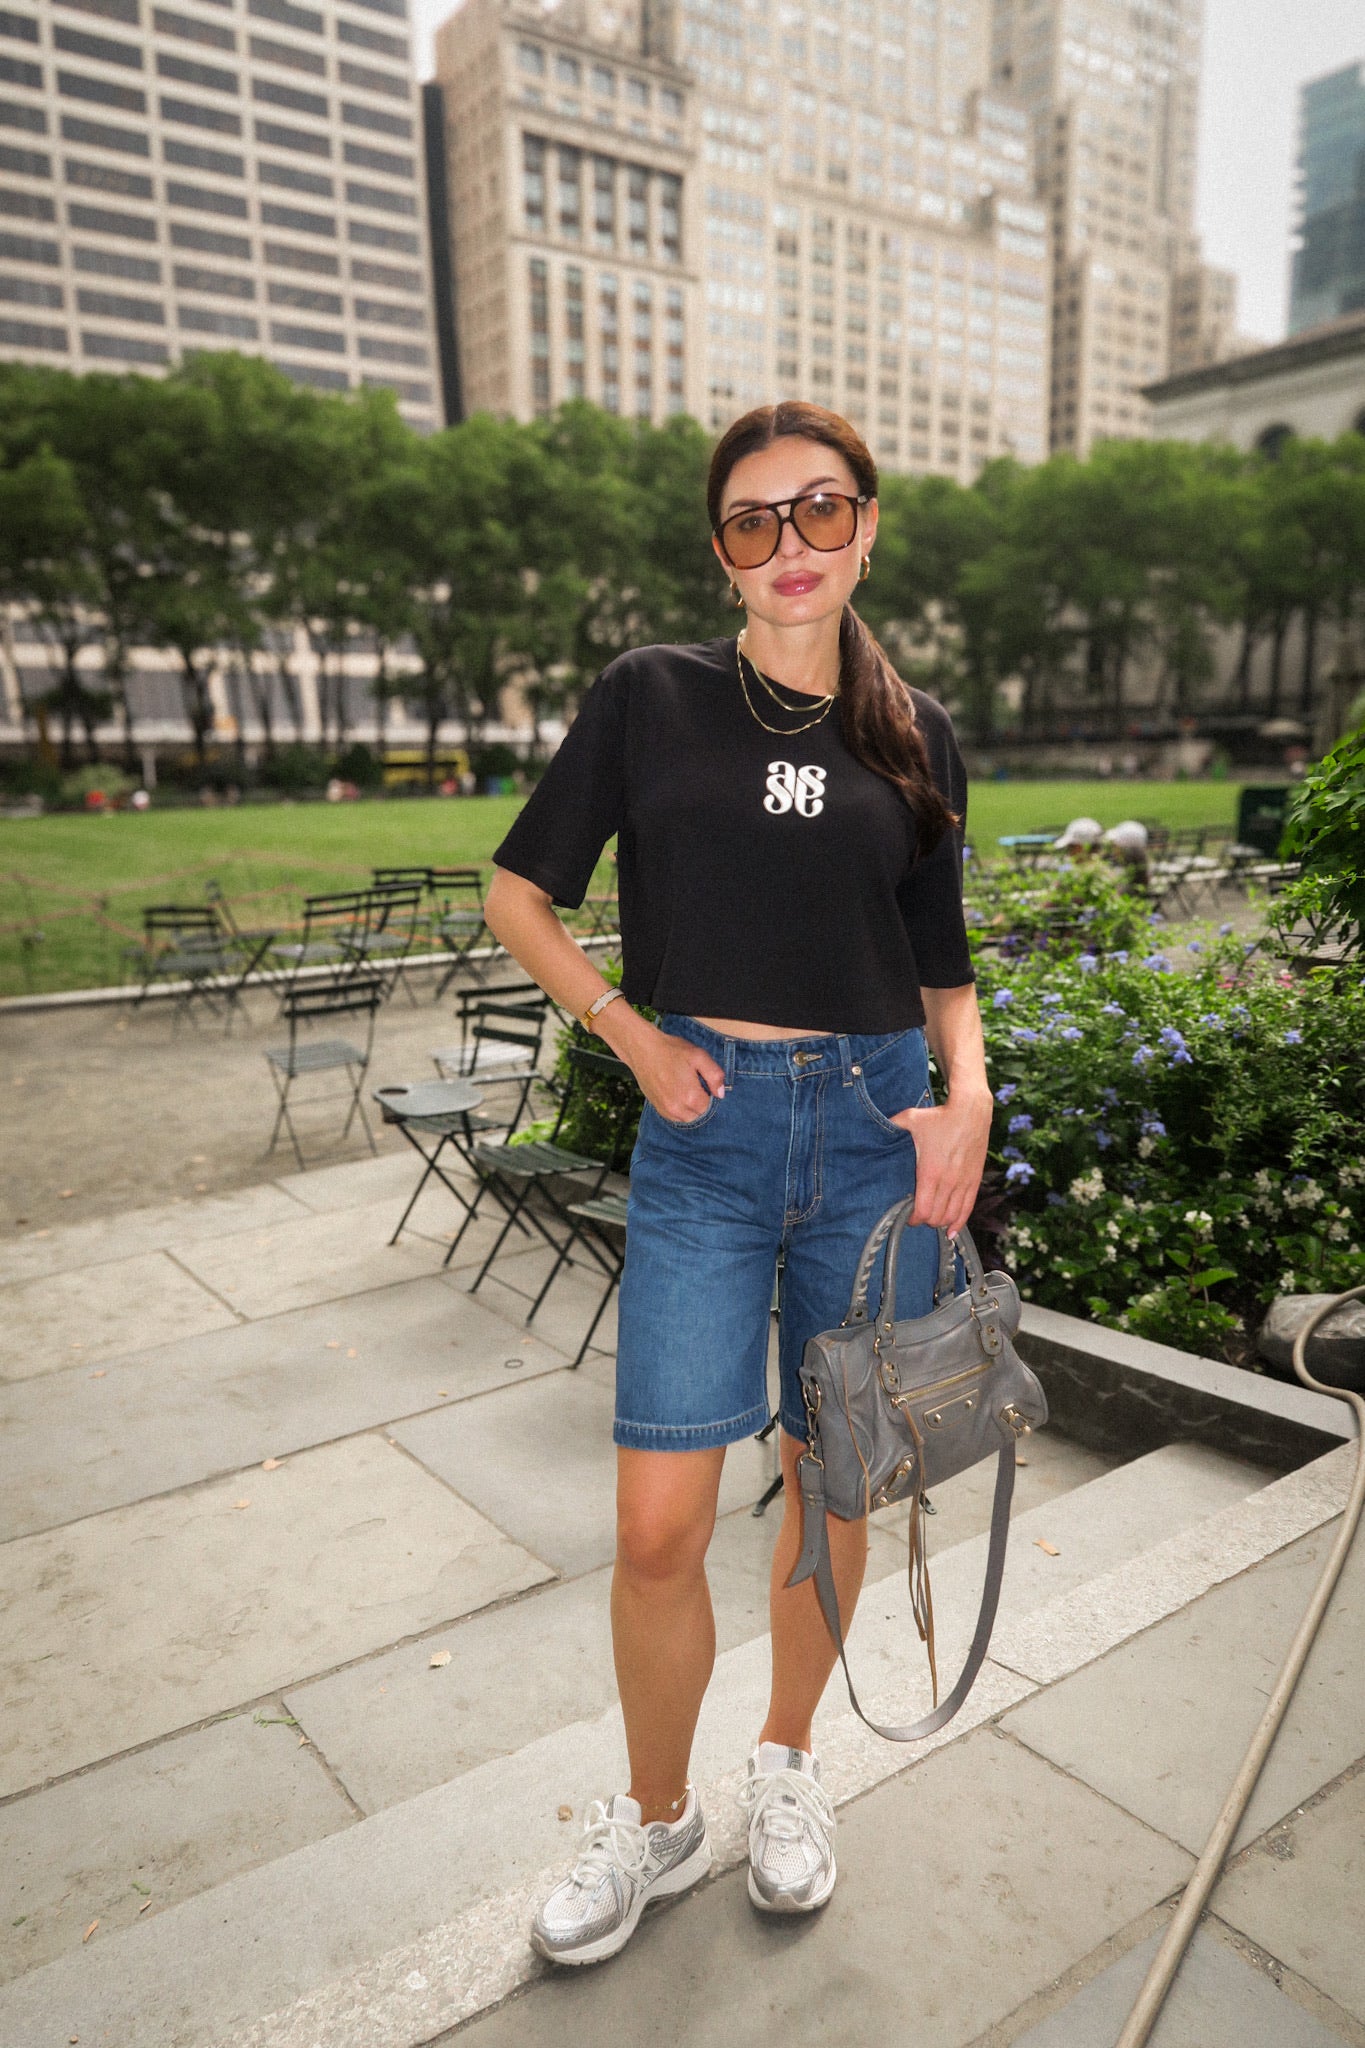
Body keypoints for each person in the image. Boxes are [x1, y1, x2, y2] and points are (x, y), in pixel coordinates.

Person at [483, 400, 992, 1967]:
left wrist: (966, 1099)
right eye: (753, 520)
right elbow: (517, 894)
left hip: (873, 1136)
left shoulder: (912, 730)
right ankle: (655, 1817)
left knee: (830, 1483)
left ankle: (785, 1764)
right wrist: (629, 1033)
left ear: (867, 526)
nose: (790, 545)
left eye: (819, 509)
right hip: (701, 1134)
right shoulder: (651, 697)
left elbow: (940, 963)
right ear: (721, 551)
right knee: (657, 1523)